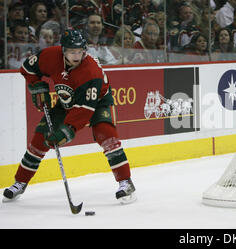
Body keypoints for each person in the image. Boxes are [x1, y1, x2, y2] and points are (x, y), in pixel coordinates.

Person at [2, 29, 136, 204]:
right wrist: (36, 85)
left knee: (106, 135)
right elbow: (27, 68)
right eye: (72, 51)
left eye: (80, 51)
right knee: (39, 139)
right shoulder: (50, 56)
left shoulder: (91, 72)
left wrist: (66, 131)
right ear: (63, 50)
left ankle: (126, 182)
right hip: (66, 99)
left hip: (97, 103)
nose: (77, 55)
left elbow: (84, 111)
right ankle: (20, 182)